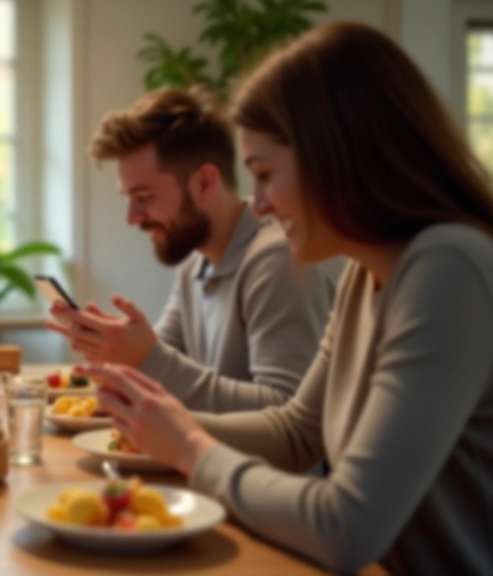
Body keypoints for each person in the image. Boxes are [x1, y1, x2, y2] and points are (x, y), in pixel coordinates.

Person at [89, 22, 493, 574]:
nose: (256, 205)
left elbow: (345, 525)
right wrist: (157, 422)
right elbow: (296, 431)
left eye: (264, 174)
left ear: (336, 156)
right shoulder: (361, 276)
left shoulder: (449, 265)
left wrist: (189, 447)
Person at [48, 88, 335, 412]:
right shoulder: (195, 263)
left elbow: (286, 413)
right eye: (128, 198)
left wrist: (146, 357)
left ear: (204, 183)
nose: (132, 218)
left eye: (145, 197)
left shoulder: (275, 260)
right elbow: (164, 368)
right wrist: (118, 349)